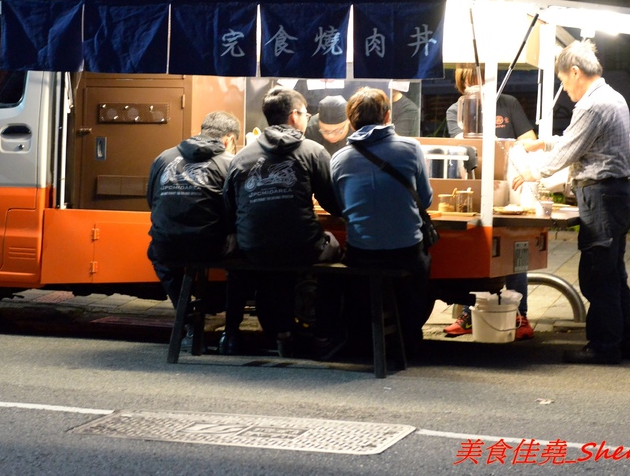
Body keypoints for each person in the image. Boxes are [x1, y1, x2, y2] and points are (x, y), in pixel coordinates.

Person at [512, 40, 630, 364]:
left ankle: (604, 347)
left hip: (601, 197)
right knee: (614, 275)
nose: (566, 89)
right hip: (616, 195)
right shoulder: (613, 97)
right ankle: (627, 343)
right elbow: (580, 140)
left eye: (564, 81)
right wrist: (545, 142)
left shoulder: (592, 105)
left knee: (598, 277)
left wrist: (531, 172)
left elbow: (569, 151)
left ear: (575, 71)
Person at [223, 86, 344, 358]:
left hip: (253, 246)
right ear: (294, 115)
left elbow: (229, 205)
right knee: (337, 253)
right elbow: (333, 204)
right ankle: (323, 335)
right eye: (306, 114)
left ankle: (281, 334)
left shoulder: (242, 156)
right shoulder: (313, 150)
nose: (307, 119)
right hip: (302, 246)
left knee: (272, 265)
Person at [330, 87, 433, 355]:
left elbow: (341, 207)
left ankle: (362, 339)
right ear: (388, 116)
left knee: (351, 270)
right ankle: (409, 335)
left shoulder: (339, 159)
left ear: (351, 122)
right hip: (406, 253)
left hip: (362, 254)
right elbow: (426, 199)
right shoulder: (411, 148)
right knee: (422, 265)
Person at [443, 65, 536, 341]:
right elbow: (462, 147)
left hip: (510, 187)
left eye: (481, 78)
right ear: (461, 84)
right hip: (473, 188)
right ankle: (470, 313)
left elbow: (529, 140)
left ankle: (520, 314)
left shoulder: (508, 103)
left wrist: (506, 147)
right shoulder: (456, 109)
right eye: (469, 81)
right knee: (476, 251)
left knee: (515, 250)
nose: (476, 85)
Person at [146, 111, 240, 310]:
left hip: (166, 245)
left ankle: (184, 310)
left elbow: (151, 201)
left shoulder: (164, 158)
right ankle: (226, 312)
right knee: (243, 255)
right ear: (230, 139)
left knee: (158, 253)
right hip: (211, 247)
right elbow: (237, 209)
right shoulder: (230, 163)